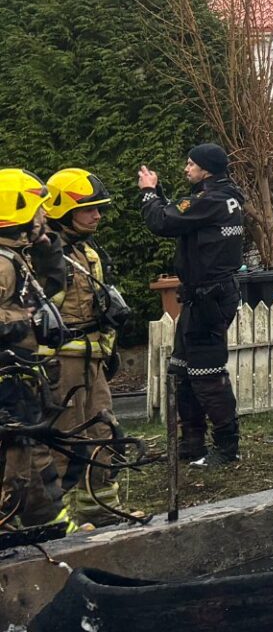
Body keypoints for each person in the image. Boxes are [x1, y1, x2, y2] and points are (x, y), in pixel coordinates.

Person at [136, 144, 246, 468]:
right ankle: (192, 444)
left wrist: (148, 193)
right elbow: (181, 214)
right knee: (182, 372)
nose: (186, 169)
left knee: (208, 375)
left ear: (206, 169)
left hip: (207, 298)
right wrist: (161, 194)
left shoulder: (209, 200)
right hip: (204, 296)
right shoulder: (225, 197)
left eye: (190, 164)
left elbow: (163, 221)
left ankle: (227, 448)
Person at [42, 169, 136, 525]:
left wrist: (107, 349)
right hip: (59, 367)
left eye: (99, 209)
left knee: (103, 433)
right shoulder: (45, 256)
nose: (97, 215)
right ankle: (57, 520)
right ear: (64, 209)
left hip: (92, 360)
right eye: (90, 209)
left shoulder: (85, 251)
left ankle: (100, 510)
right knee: (62, 443)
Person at [0, 169, 71, 533]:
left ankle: (48, 527)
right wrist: (19, 319)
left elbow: (51, 290)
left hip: (23, 377)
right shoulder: (2, 263)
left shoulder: (18, 256)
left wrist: (49, 247)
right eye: (38, 210)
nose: (44, 216)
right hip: (7, 384)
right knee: (13, 461)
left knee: (32, 455)